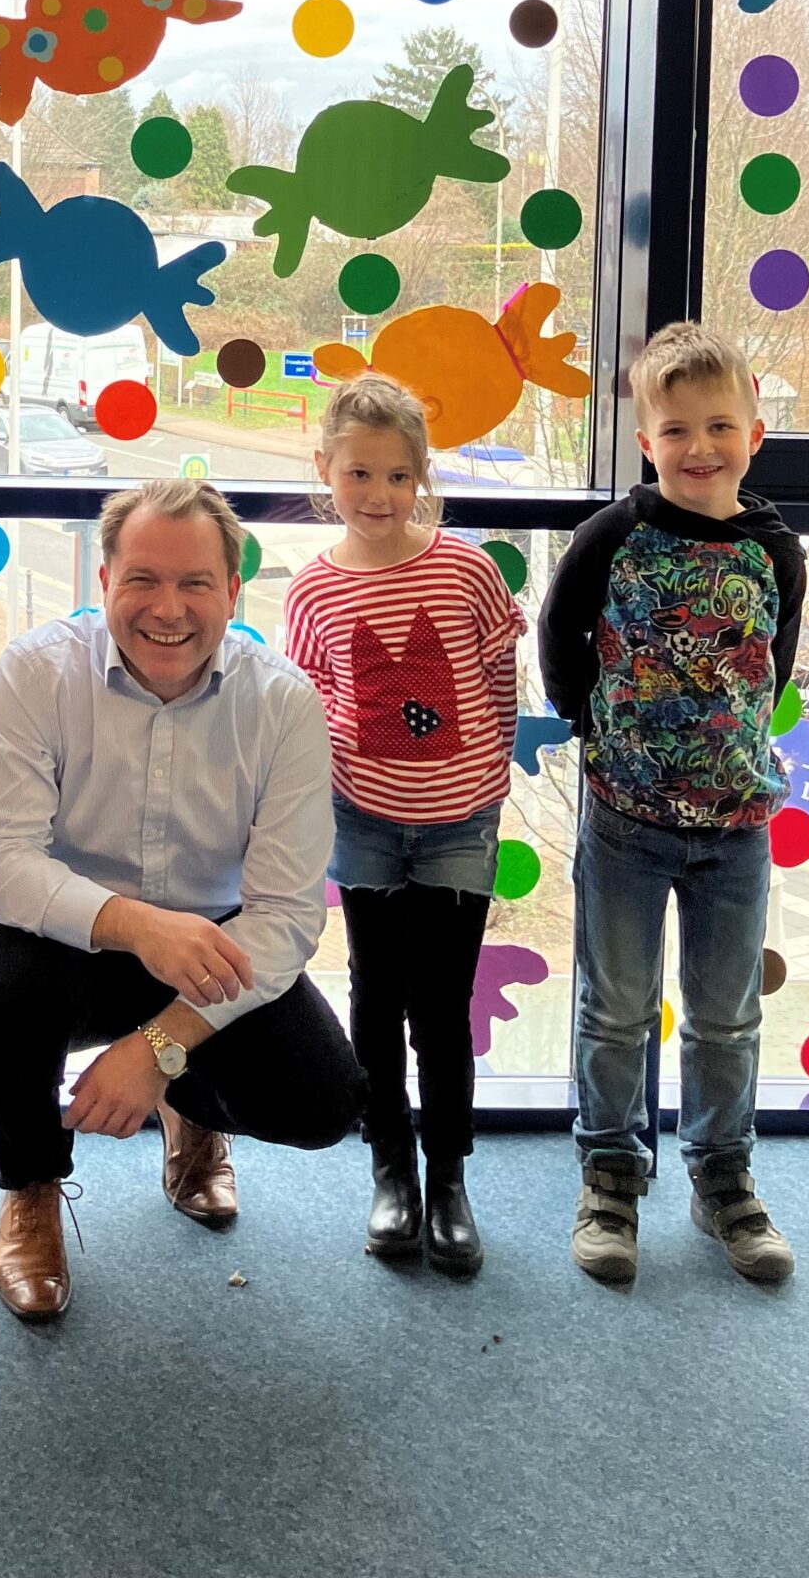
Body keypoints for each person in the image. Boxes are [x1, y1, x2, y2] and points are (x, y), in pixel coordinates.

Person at [0, 479, 366, 1321]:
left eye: (194, 583)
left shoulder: (284, 703)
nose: (167, 609)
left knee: (324, 1101)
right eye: (142, 579)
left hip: (216, 951)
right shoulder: (37, 672)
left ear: (233, 593)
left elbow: (287, 919)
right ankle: (31, 1187)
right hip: (71, 936)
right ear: (104, 581)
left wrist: (158, 1052)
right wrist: (136, 926)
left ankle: (187, 1110)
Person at [539, 320, 806, 1290]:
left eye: (720, 426)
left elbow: (771, 664)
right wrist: (589, 721)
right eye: (678, 429)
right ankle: (610, 1170)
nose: (701, 447)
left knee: (725, 1016)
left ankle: (722, 1173)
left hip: (736, 827)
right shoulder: (614, 536)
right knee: (615, 1008)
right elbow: (560, 630)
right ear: (646, 439)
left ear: (754, 435)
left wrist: (725, 743)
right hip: (625, 821)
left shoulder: (773, 547)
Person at [285, 374, 521, 1274]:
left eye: (397, 476)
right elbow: (311, 707)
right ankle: (391, 1170)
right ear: (326, 470)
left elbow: (498, 680)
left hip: (462, 823)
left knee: (442, 1012)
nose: (378, 496)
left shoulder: (466, 570)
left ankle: (449, 1176)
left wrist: (487, 780)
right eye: (359, 474)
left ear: (422, 476)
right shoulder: (314, 591)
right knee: (376, 1002)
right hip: (365, 825)